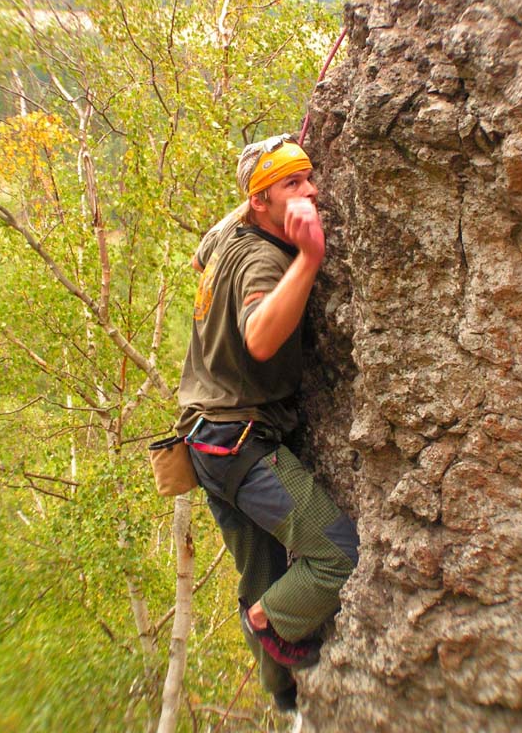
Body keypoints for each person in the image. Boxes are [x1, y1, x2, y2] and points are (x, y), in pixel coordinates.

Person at [176, 133, 359, 714]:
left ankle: (287, 700)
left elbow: (203, 250)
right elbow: (258, 337)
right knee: (337, 555)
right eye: (291, 184)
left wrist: (266, 186)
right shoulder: (263, 257)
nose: (310, 191)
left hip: (206, 439)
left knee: (264, 572)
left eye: (310, 178)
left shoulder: (227, 238)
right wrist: (307, 258)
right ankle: (265, 623)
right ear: (260, 203)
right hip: (241, 443)